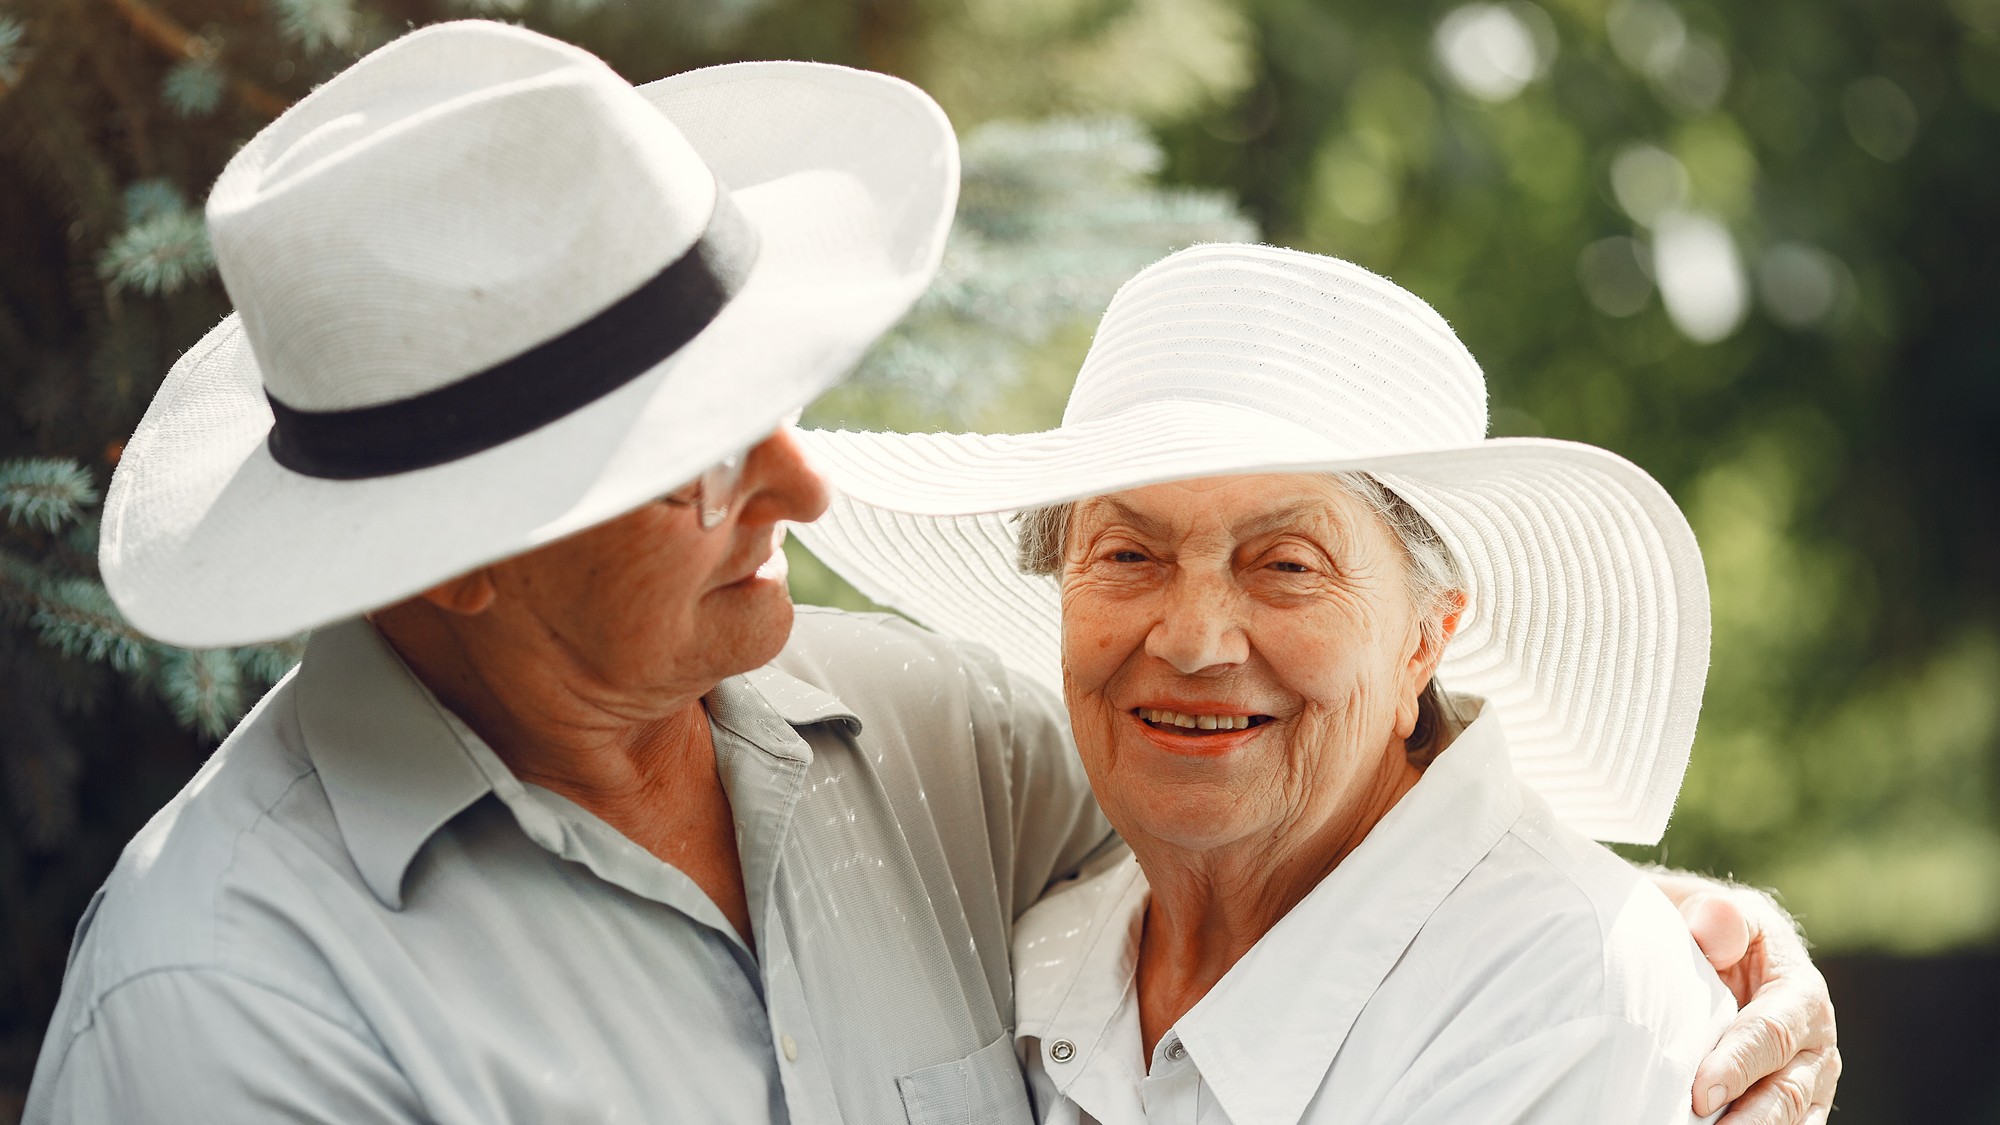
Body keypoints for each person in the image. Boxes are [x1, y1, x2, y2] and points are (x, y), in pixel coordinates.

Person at [25, 21, 1832, 1125]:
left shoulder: (930, 744)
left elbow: (1326, 855)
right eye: (707, 462)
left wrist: (1665, 948)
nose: (802, 486)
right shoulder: (231, 1010)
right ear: (464, 558)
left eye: (778, 405)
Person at [792, 243, 1841, 1122]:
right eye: (1126, 556)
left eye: (1285, 565)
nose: (1195, 638)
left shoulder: (1561, 999)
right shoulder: (1047, 947)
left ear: (1423, 642)